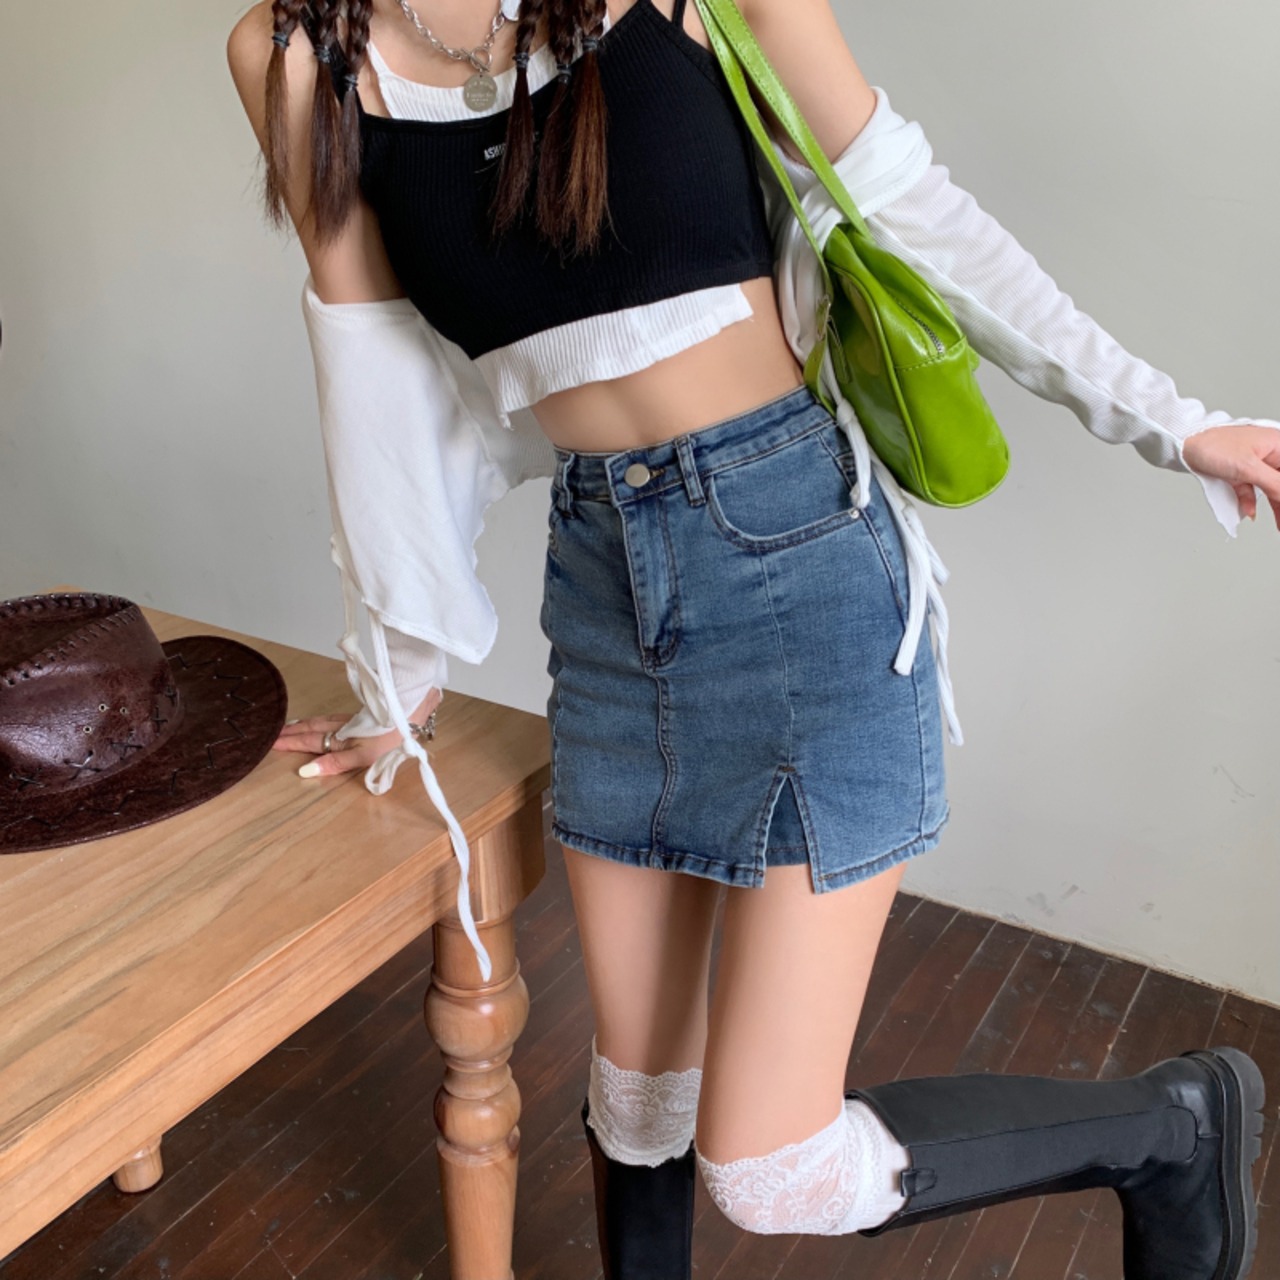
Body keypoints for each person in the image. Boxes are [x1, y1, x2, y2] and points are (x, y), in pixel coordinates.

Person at [226, 1, 1276, 1276]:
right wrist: (397, 673)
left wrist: (1173, 423)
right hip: (602, 584)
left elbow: (907, 205)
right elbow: (372, 376)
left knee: (769, 1165)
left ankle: (1168, 1126)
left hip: (800, 559)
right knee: (635, 1103)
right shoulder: (297, 56)